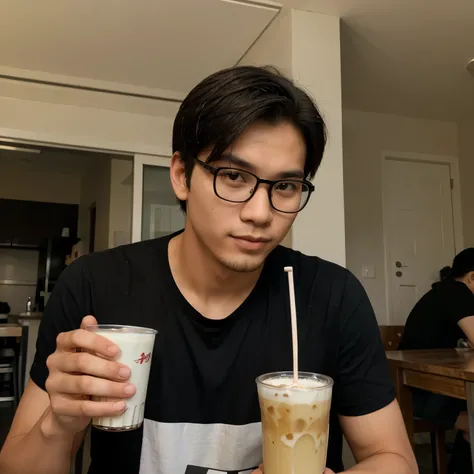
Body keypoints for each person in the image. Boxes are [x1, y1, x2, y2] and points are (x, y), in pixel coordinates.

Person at [0, 66, 417, 474]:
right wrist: (59, 425)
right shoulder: (95, 286)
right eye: (234, 176)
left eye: (285, 186)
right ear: (182, 176)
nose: (260, 213)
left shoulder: (331, 296)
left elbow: (395, 460)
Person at [398, 248, 474, 474]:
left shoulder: (444, 292)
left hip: (419, 388)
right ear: (472, 277)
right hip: (415, 393)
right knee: (472, 415)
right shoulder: (457, 292)